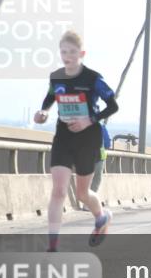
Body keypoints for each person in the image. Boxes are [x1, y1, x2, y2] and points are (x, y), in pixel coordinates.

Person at [33, 30, 118, 251]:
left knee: (82, 194)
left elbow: (113, 106)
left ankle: (101, 216)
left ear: (81, 53)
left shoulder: (93, 78)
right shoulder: (56, 76)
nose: (67, 56)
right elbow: (51, 96)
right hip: (64, 136)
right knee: (59, 190)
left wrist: (89, 120)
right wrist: (43, 112)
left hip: (88, 138)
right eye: (63, 51)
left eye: (71, 52)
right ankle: (52, 245)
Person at [89, 122, 111, 195]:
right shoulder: (101, 127)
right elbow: (108, 144)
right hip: (99, 157)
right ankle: (89, 200)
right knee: (97, 179)